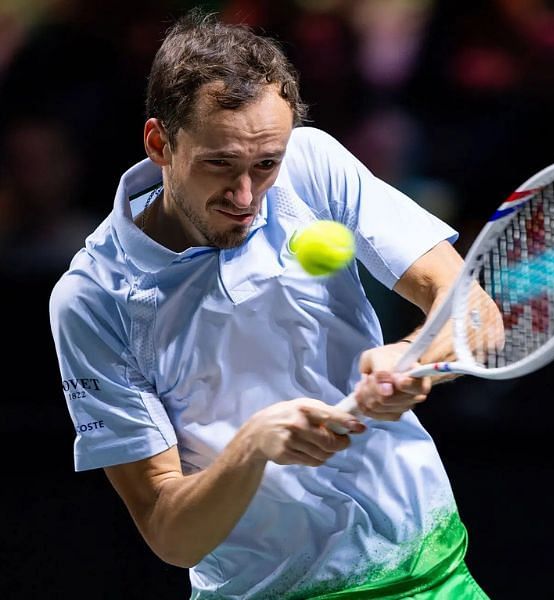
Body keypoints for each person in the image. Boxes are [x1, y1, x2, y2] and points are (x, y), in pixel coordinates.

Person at [48, 12, 488, 599]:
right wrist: (254, 444)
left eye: (264, 165)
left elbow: (477, 316)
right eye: (219, 165)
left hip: (430, 574)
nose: (246, 196)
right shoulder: (92, 299)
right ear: (160, 142)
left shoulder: (311, 165)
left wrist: (411, 358)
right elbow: (170, 534)